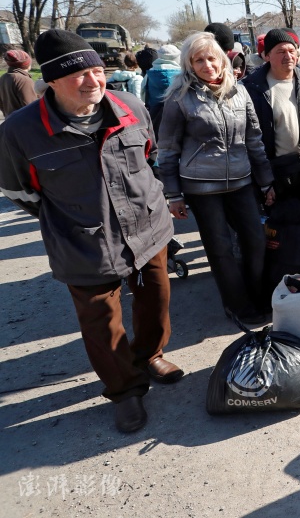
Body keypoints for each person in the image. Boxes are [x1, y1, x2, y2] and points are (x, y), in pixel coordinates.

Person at [0, 29, 183, 434]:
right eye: (78, 74)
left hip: (148, 225)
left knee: (156, 295)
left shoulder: (131, 106)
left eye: (98, 70)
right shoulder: (20, 130)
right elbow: (20, 192)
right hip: (82, 239)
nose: (93, 81)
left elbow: (149, 155)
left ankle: (150, 354)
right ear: (50, 80)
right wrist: (73, 214)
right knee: (101, 320)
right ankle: (124, 389)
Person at [158, 31, 275, 325]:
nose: (207, 65)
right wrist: (173, 195)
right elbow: (168, 150)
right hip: (201, 187)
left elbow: (254, 140)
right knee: (220, 249)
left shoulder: (240, 92)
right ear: (189, 64)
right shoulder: (179, 98)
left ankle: (259, 295)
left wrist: (266, 181)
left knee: (255, 240)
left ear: (223, 60)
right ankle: (238, 305)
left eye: (212, 58)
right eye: (199, 60)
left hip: (241, 181)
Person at [241, 28, 300, 287]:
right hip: (274, 170)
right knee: (279, 226)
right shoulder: (251, 88)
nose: (288, 56)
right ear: (266, 55)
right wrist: (264, 179)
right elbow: (248, 139)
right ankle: (279, 275)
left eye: (292, 50)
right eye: (280, 51)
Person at [142, 44, 182, 131]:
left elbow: (143, 95)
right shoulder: (183, 75)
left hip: (155, 115)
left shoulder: (149, 74)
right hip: (179, 115)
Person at [0, 46, 39, 116]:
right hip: (26, 124)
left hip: (10, 122)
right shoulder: (24, 80)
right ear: (26, 63)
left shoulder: (3, 78)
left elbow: (1, 104)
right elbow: (31, 107)